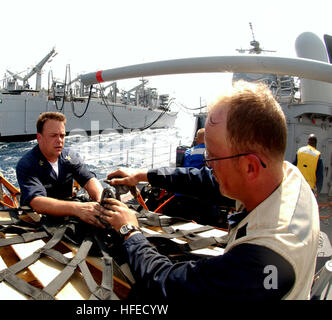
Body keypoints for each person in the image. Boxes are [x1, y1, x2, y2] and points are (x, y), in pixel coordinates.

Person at [99, 81, 319, 300]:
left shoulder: (263, 256)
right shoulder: (286, 176)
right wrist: (144, 175)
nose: (208, 164)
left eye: (212, 156)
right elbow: (206, 181)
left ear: (249, 166)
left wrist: (129, 231)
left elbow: (167, 285)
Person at [16, 112, 104, 228]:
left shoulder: (70, 157)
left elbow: (88, 179)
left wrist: (101, 201)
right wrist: (77, 209)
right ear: (39, 138)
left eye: (62, 136)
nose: (59, 140)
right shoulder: (27, 164)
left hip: (67, 216)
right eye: (53, 136)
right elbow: (37, 201)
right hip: (39, 221)